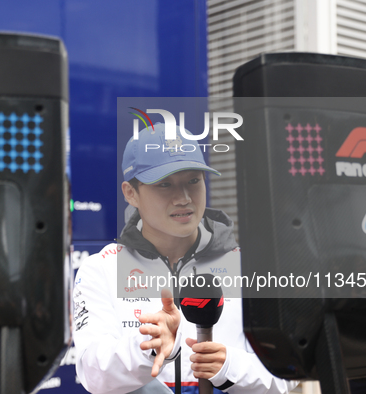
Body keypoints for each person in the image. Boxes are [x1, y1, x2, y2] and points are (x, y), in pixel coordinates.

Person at [73, 123, 297, 394]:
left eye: (193, 180)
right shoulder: (102, 269)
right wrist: (148, 347)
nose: (183, 198)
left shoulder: (250, 268)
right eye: (164, 184)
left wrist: (229, 368)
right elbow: (93, 373)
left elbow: (288, 373)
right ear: (130, 193)